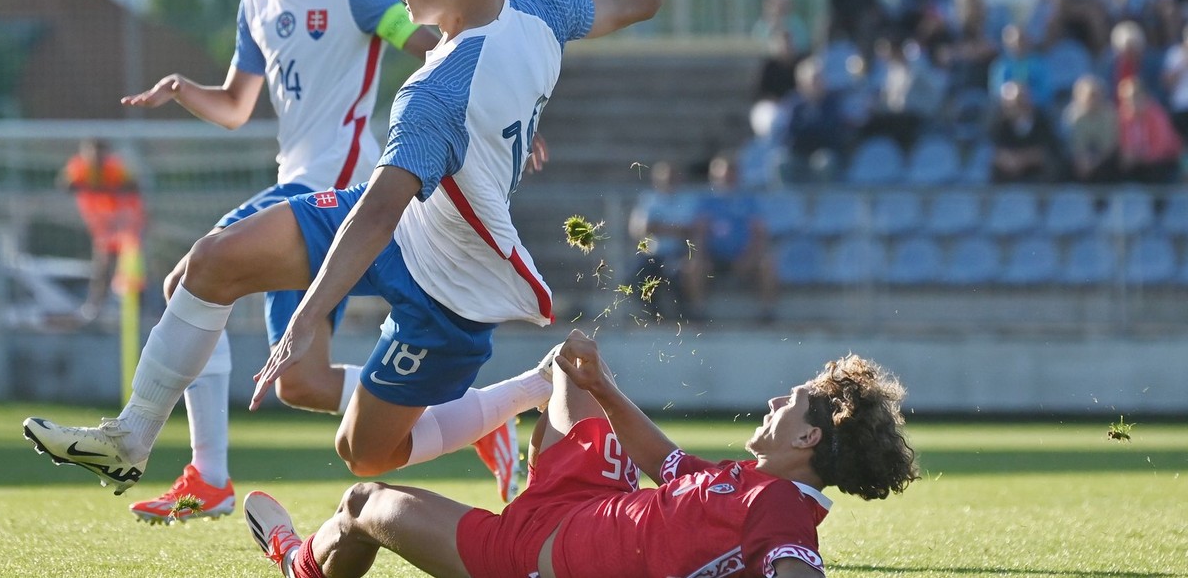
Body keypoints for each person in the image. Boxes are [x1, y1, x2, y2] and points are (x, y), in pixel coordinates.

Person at [22, 0, 740, 503]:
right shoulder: (540, 4)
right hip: (406, 225)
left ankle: (523, 391)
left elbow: (375, 212)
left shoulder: (437, 91)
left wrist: (309, 313)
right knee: (213, 261)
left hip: (452, 284)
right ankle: (131, 436)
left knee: (364, 454)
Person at [103, 0, 443, 522]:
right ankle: (464, 412)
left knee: (188, 282)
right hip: (296, 186)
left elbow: (423, 42)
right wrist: (182, 90)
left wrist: (485, 97)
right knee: (302, 383)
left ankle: (208, 473)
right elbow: (236, 106)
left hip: (339, 193)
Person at [242, 329, 918, 578]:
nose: (775, 400)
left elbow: (796, 566)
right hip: (589, 498)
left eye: (790, 401)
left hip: (526, 555)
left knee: (363, 503)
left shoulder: (780, 506)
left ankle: (300, 563)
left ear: (808, 438)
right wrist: (605, 387)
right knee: (568, 363)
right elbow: (669, 463)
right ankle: (503, 429)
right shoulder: (748, 479)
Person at [57, 138, 145, 322]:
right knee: (103, 264)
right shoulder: (79, 168)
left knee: (127, 263)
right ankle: (96, 306)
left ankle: (134, 307)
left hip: (123, 221)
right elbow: (65, 185)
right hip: (102, 223)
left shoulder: (116, 169)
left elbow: (133, 187)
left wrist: (108, 191)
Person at [692, 154, 778, 324]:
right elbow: (699, 233)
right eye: (724, 174)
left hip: (744, 256)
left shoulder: (749, 201)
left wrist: (750, 257)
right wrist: (703, 256)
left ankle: (766, 312)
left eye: (732, 174)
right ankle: (698, 311)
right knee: (693, 267)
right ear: (714, 176)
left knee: (768, 264)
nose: (728, 178)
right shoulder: (706, 201)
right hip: (714, 257)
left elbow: (759, 233)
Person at [627, 160, 700, 320]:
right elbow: (639, 228)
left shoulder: (688, 200)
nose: (669, 181)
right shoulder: (648, 199)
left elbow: (692, 229)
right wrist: (676, 229)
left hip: (678, 252)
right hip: (652, 253)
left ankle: (684, 315)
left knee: (680, 273)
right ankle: (653, 314)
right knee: (636, 275)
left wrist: (659, 227)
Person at [988, 81, 1062, 184]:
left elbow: (1048, 150)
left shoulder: (1042, 121)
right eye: (1015, 102)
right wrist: (1008, 159)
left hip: (1037, 177)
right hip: (1006, 176)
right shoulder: (999, 124)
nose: (1019, 105)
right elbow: (993, 149)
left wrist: (1023, 159)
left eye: (1022, 99)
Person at [1116, 76, 1182, 184]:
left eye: (1136, 97)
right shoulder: (1123, 118)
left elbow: (1160, 149)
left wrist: (1138, 157)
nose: (1132, 102)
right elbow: (1124, 145)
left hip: (1163, 161)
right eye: (1127, 99)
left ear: (1145, 97)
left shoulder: (1157, 115)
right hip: (1138, 163)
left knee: (1157, 171)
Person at [1061, 75, 1119, 184]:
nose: (1094, 100)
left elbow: (1109, 146)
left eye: (1097, 95)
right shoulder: (1070, 117)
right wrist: (1082, 160)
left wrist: (1094, 162)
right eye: (1091, 96)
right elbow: (1071, 145)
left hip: (1102, 163)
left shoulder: (1109, 115)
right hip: (1076, 164)